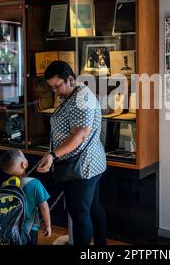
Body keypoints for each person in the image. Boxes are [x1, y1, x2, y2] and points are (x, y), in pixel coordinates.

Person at [37, 60, 107, 246]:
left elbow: (79, 135)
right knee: (93, 208)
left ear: (70, 79)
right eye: (51, 88)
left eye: (57, 86)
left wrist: (52, 155)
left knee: (80, 214)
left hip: (82, 167)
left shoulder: (81, 99)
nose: (55, 91)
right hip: (91, 162)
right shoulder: (73, 95)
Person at [0, 149, 51, 245]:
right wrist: (48, 226)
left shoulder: (4, 185)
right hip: (30, 228)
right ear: (24, 164)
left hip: (9, 228)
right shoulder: (35, 183)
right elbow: (44, 206)